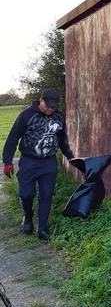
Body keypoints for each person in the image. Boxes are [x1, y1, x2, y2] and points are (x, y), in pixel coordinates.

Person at [2, 89, 74, 241]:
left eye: (53, 107)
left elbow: (63, 140)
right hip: (29, 161)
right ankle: (28, 217)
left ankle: (42, 229)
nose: (50, 109)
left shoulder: (59, 117)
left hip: (48, 162)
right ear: (41, 100)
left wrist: (70, 157)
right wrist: (7, 161)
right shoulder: (26, 116)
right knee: (26, 194)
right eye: (48, 106)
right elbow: (13, 137)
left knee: (46, 195)